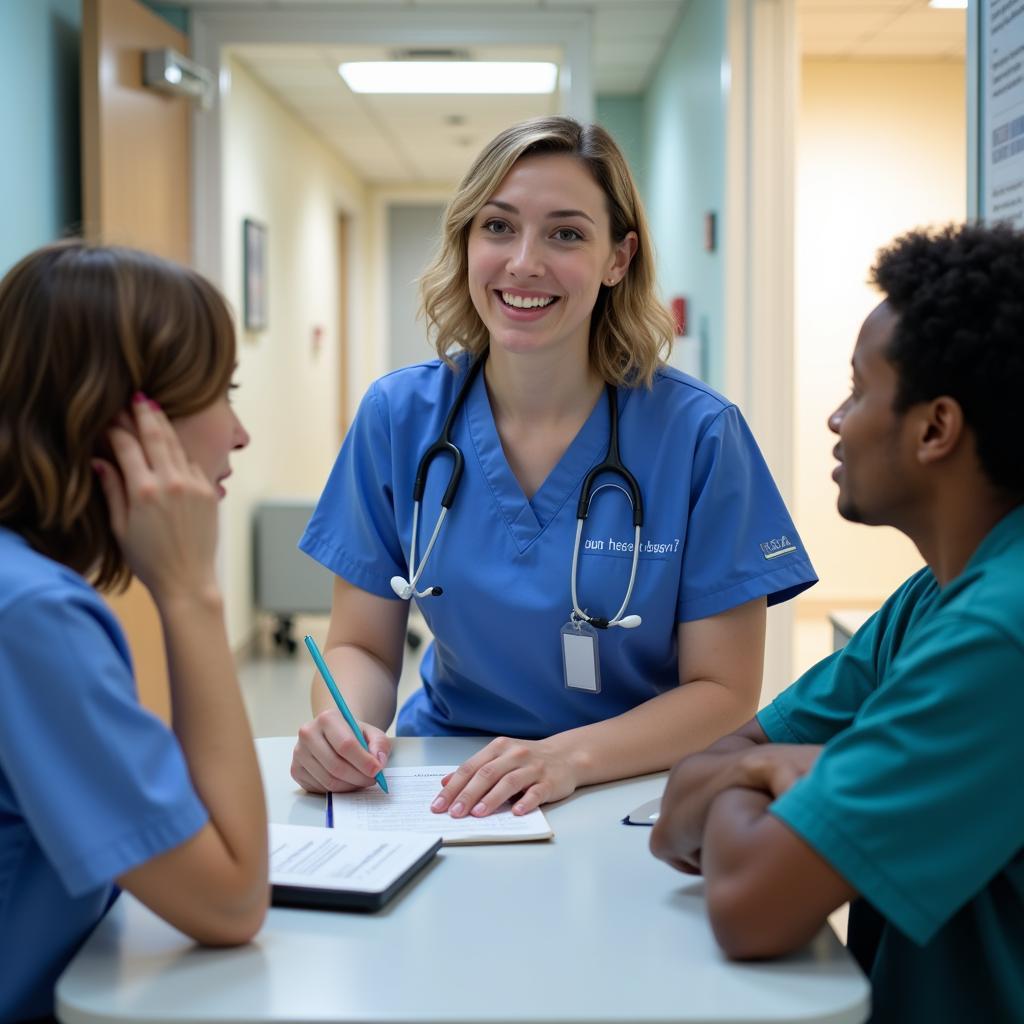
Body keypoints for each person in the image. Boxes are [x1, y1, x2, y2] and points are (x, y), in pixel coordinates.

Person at [292, 116, 816, 819]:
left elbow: (722, 695)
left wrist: (566, 757)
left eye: (565, 233)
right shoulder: (399, 417)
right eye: (498, 227)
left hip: (628, 782)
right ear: (467, 242)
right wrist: (346, 729)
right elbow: (361, 643)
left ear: (618, 259)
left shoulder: (698, 436)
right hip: (448, 779)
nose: (523, 262)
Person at [650, 223, 1024, 1022]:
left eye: (857, 389)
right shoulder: (932, 599)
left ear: (935, 429)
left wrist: (777, 773)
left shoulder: (1000, 637)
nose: (836, 419)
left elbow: (749, 904)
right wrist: (770, 770)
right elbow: (680, 806)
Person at [0, 241, 268, 1023]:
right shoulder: (32, 617)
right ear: (128, 423)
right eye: (220, 393)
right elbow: (232, 901)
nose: (240, 433)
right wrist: (191, 595)